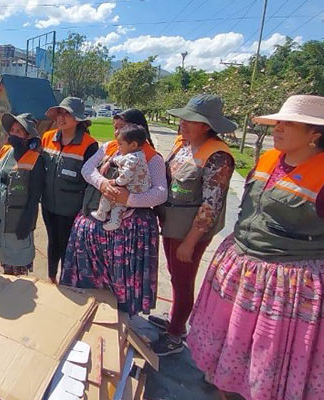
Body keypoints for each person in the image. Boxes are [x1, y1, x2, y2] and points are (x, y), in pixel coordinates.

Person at [187, 95, 324, 400]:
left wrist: (306, 249)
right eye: (277, 122)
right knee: (237, 343)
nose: (278, 128)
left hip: (290, 285)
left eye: (289, 123)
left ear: (315, 133)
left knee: (272, 353)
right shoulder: (268, 159)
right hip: (246, 271)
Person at [147, 94, 236, 356]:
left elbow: (211, 204)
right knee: (176, 278)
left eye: (191, 120)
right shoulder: (184, 146)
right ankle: (175, 319)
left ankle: (175, 336)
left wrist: (190, 241)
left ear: (207, 126)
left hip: (188, 232)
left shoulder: (218, 157)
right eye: (183, 118)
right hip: (172, 224)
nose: (183, 123)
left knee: (184, 281)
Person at [62, 109, 168, 315]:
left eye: (121, 128)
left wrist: (129, 199)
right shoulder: (109, 148)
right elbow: (87, 169)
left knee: (122, 279)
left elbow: (161, 193)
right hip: (97, 225)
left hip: (129, 232)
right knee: (92, 281)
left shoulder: (152, 158)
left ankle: (122, 320)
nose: (116, 133)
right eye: (115, 128)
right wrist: (102, 184)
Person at [41, 97, 99, 283]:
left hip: (72, 208)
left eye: (67, 114)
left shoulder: (90, 145)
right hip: (48, 204)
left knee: (68, 244)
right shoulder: (47, 137)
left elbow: (90, 180)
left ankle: (67, 281)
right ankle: (51, 278)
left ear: (78, 119)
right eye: (60, 113)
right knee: (53, 242)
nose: (61, 117)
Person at [0, 113, 45, 276]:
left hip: (18, 221)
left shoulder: (36, 159)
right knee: (4, 259)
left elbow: (35, 195)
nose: (13, 134)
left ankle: (19, 296)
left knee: (19, 264)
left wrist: (28, 220)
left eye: (19, 131)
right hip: (0, 220)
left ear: (28, 136)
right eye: (13, 130)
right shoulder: (5, 151)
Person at [90, 126, 152, 231]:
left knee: (111, 193)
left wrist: (116, 182)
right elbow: (119, 159)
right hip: (137, 188)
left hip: (134, 188)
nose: (118, 147)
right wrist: (111, 162)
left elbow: (126, 175)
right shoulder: (138, 155)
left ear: (133, 145)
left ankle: (103, 213)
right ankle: (113, 220)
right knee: (119, 203)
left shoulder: (132, 159)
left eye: (121, 144)